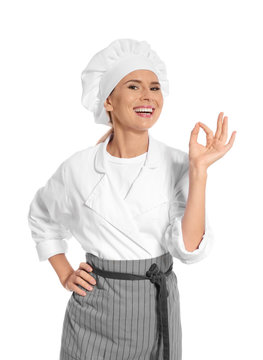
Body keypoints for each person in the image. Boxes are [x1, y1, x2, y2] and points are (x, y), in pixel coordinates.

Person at [27, 38, 236, 360]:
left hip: (156, 305)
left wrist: (199, 170)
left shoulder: (180, 163)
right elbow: (42, 217)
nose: (147, 97)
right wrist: (64, 272)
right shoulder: (78, 168)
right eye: (134, 86)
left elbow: (189, 250)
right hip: (93, 312)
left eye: (154, 88)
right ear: (108, 100)